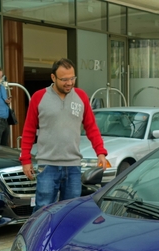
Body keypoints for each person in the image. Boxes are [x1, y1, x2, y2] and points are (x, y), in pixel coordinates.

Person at [20, 58, 109, 212]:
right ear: (53, 78)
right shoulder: (39, 97)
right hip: (47, 165)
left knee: (70, 210)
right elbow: (28, 130)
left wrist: (100, 152)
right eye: (64, 79)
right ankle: (40, 235)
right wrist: (25, 159)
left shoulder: (81, 97)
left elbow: (91, 127)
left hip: (73, 166)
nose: (69, 83)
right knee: (43, 208)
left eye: (72, 78)